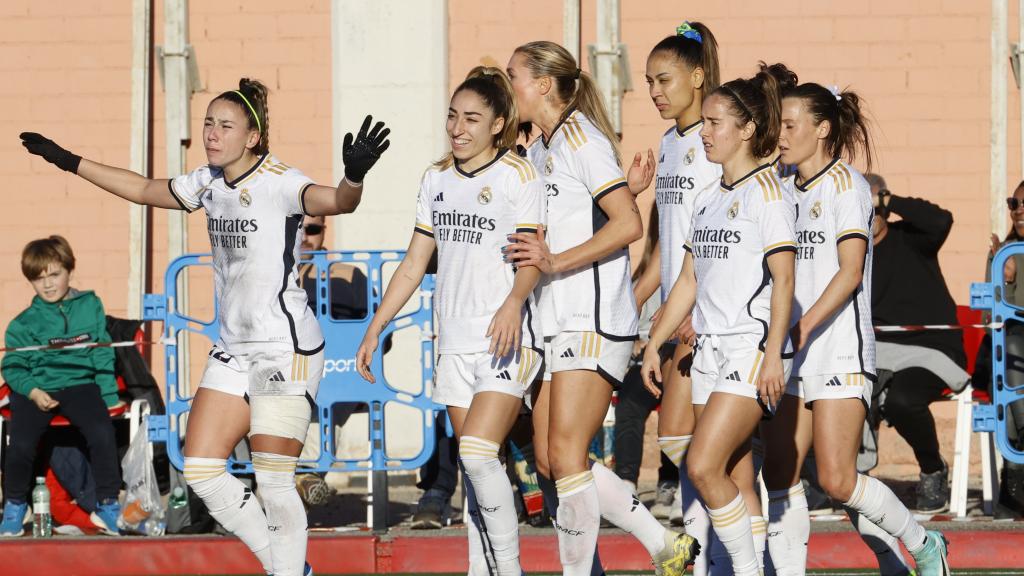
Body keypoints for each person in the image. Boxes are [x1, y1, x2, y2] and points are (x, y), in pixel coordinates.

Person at [18, 78, 389, 576]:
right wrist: (70, 161)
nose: (212, 134)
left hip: (286, 347)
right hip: (234, 347)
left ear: (252, 137)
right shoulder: (207, 181)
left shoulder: (279, 181)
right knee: (202, 470)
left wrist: (355, 176)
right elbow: (144, 188)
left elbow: (339, 202)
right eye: (208, 123)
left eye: (225, 125)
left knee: (274, 481)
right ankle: (292, 570)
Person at [505, 40, 698, 576]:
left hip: (590, 320)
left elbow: (627, 226)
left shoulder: (579, 139)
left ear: (544, 84)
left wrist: (553, 261)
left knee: (566, 461)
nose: (509, 85)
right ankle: (665, 544)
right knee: (550, 462)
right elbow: (603, 212)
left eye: (513, 75)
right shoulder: (543, 146)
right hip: (555, 319)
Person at [357, 66, 543, 575]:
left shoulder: (518, 175)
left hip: (506, 338)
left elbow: (532, 257)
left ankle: (509, 569)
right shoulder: (436, 179)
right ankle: (479, 568)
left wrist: (512, 304)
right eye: (453, 117)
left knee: (481, 455)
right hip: (454, 343)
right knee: (478, 466)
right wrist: (377, 326)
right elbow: (415, 261)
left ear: (499, 123)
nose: (458, 128)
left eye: (472, 119)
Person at [762, 78, 950, 575]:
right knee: (779, 473)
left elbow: (849, 274)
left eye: (789, 124)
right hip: (791, 351)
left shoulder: (847, 186)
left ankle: (925, 543)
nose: (780, 134)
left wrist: (799, 329)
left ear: (822, 128)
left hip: (838, 349)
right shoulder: (781, 186)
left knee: (839, 480)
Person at [642, 69, 795, 576]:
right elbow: (687, 279)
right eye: (703, 122)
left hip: (750, 349)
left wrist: (774, 353)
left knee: (702, 466)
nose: (704, 132)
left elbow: (784, 281)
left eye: (714, 122)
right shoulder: (709, 197)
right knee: (734, 474)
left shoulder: (767, 194)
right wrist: (653, 342)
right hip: (708, 352)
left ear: (747, 129)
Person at [628, 22, 723, 575]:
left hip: (707, 316)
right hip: (675, 312)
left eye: (664, 79)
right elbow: (669, 247)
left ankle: (712, 548)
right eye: (649, 83)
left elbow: (719, 241)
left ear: (697, 76)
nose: (656, 91)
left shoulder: (717, 141)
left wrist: (692, 310)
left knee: (692, 443)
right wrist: (636, 302)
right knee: (678, 443)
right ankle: (705, 547)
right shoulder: (668, 144)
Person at [0, 236, 122, 537]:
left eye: (54, 275)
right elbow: (13, 367)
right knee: (22, 443)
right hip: (35, 388)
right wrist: (32, 391)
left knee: (102, 433)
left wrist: (108, 395)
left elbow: (102, 350)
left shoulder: (91, 305)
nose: (48, 285)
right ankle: (15, 505)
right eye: (39, 279)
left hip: (80, 384)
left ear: (70, 270)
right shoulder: (22, 324)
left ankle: (107, 505)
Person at [868, 172, 967, 516]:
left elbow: (942, 220)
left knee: (902, 400)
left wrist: (888, 200)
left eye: (874, 209)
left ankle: (932, 469)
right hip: (878, 353)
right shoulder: (851, 255)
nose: (868, 218)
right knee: (839, 393)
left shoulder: (911, 239)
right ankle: (837, 481)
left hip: (932, 350)